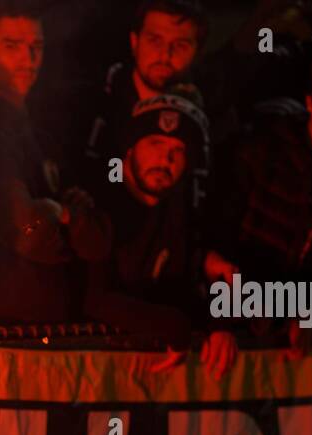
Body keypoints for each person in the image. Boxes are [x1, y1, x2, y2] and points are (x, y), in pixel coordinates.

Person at [204, 48, 312, 349]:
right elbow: (214, 241)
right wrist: (222, 319)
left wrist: (309, 313)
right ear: (309, 102)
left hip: (287, 335)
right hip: (222, 322)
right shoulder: (262, 152)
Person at [0, 1, 111, 326]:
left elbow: (93, 237)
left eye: (36, 46)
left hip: (43, 316)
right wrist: (60, 214)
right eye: (11, 46)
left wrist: (65, 213)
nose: (28, 59)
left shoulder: (38, 128)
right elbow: (31, 232)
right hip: (0, 322)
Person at [90, 90, 237, 378]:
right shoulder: (100, 205)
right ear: (130, 149)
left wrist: (220, 324)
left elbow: (187, 285)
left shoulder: (178, 211)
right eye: (155, 143)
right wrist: (174, 327)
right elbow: (95, 299)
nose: (164, 159)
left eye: (177, 150)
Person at [77, 1, 208, 186]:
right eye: (155, 41)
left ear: (197, 53)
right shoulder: (93, 103)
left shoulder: (211, 111)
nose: (165, 55)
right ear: (134, 42)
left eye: (180, 45)